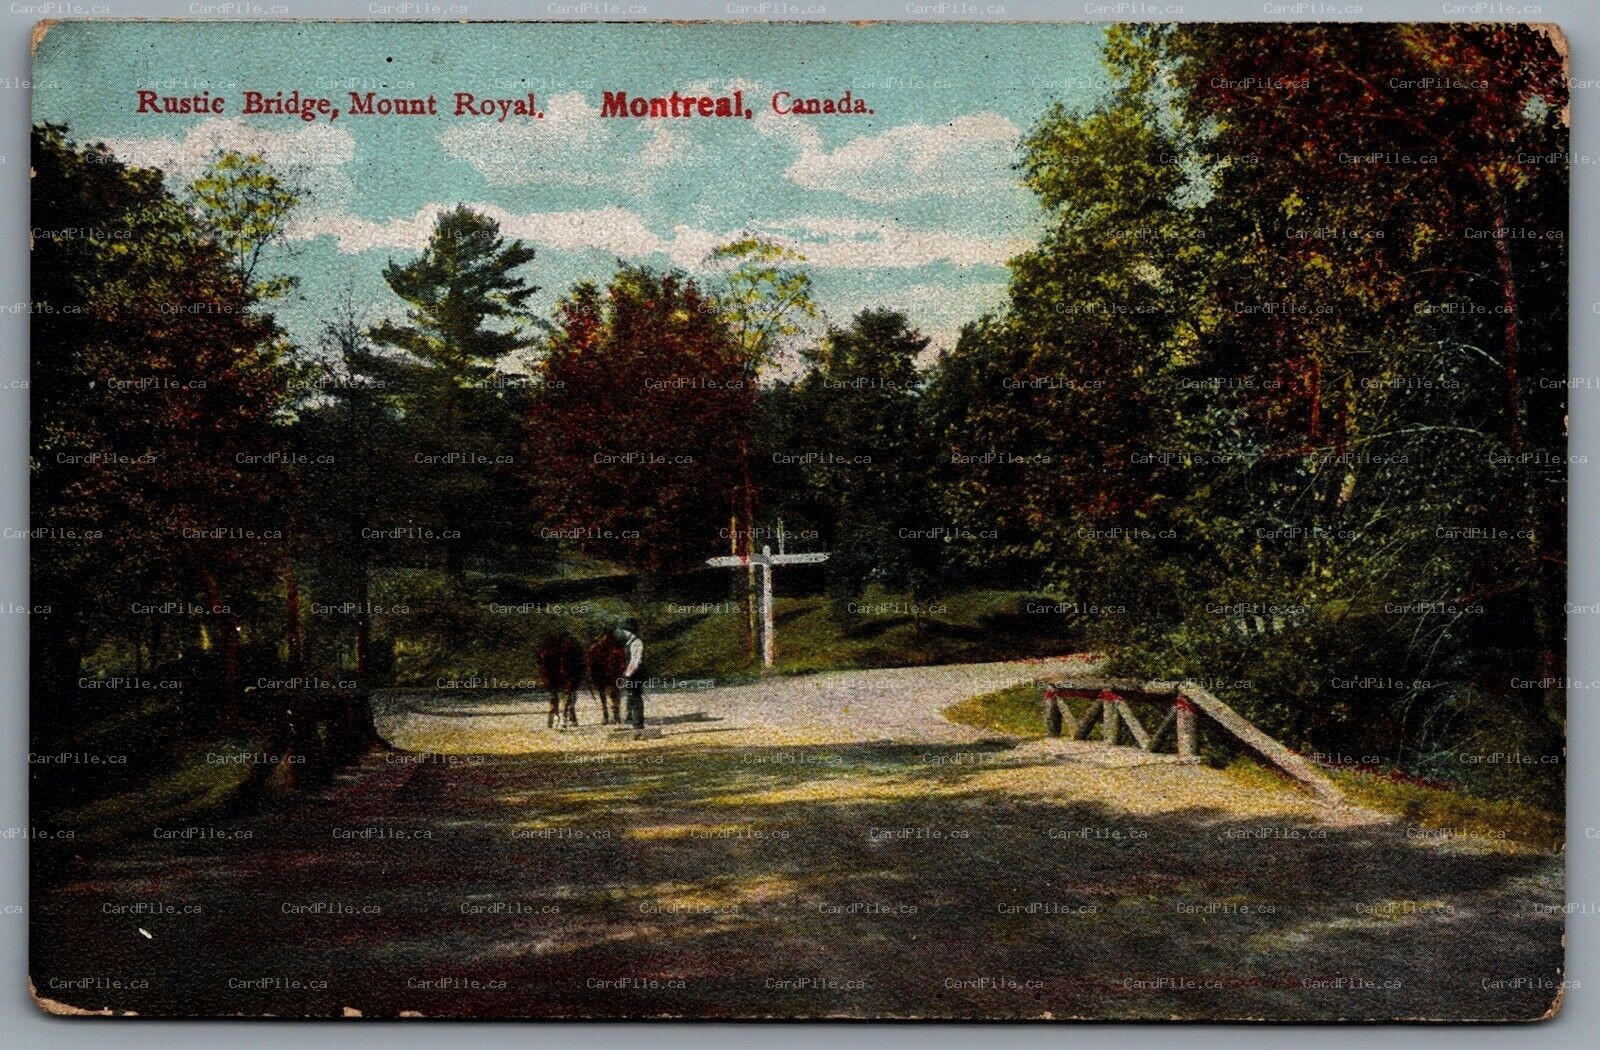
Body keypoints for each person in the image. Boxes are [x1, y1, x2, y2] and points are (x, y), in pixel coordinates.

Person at [614, 617, 646, 730]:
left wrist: (626, 675)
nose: (621, 633)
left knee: (635, 696)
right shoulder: (627, 643)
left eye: (623, 631)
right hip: (631, 673)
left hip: (636, 674)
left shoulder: (636, 642)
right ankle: (630, 720)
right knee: (630, 696)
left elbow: (635, 662)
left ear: (629, 631)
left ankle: (638, 724)